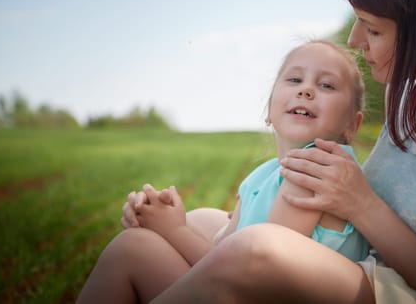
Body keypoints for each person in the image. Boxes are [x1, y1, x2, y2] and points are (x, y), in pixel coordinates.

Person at [136, 0, 416, 303]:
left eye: (373, 30)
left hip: (404, 291)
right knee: (182, 228)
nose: (354, 41)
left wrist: (361, 204)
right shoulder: (408, 85)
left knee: (253, 247)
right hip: (365, 264)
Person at [76, 40, 370, 303]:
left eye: (327, 85)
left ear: (352, 126)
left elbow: (254, 277)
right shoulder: (261, 176)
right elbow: (221, 253)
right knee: (135, 245)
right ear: (269, 109)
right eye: (294, 79)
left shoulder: (319, 169)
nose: (306, 90)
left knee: (132, 250)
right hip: (237, 290)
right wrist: (164, 222)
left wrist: (174, 230)